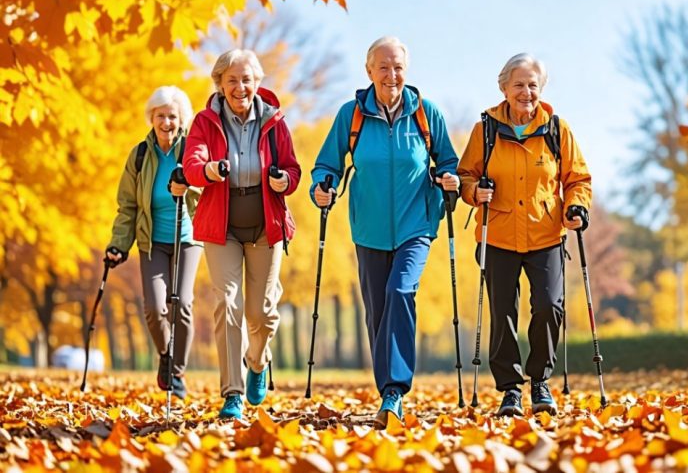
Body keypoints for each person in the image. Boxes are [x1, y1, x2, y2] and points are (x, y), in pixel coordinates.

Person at [311, 36, 460, 428]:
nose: (391, 75)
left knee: (400, 291)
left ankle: (394, 392)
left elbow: (448, 159)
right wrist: (322, 185)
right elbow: (328, 163)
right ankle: (386, 390)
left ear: (405, 71)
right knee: (377, 311)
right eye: (383, 67)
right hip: (369, 228)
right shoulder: (352, 115)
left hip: (417, 224)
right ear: (369, 71)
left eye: (397, 67)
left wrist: (449, 178)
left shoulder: (425, 114)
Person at [457, 53, 592, 417]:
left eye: (533, 85)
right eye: (518, 84)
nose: (526, 92)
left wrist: (575, 208)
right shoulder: (484, 130)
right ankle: (509, 390)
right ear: (504, 88)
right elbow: (464, 176)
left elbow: (577, 179)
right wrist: (474, 192)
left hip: (546, 234)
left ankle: (540, 381)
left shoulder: (556, 130)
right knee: (502, 314)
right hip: (497, 235)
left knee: (550, 306)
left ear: (541, 88)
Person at [183, 49, 301, 420]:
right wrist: (209, 172)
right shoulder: (205, 121)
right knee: (228, 305)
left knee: (262, 312)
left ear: (257, 83)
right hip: (223, 226)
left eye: (246, 79)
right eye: (232, 80)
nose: (240, 87)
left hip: (267, 226)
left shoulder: (274, 120)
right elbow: (191, 164)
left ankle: (257, 361)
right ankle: (232, 392)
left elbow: (293, 170)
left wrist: (284, 180)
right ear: (219, 83)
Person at [106, 86, 201, 400]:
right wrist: (119, 244)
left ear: (180, 119)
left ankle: (176, 373)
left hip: (188, 238)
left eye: (172, 116)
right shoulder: (140, 155)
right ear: (152, 117)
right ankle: (166, 353)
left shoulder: (193, 149)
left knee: (182, 304)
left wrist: (188, 187)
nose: (166, 122)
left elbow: (206, 192)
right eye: (160, 115)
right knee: (154, 307)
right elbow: (128, 205)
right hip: (152, 241)